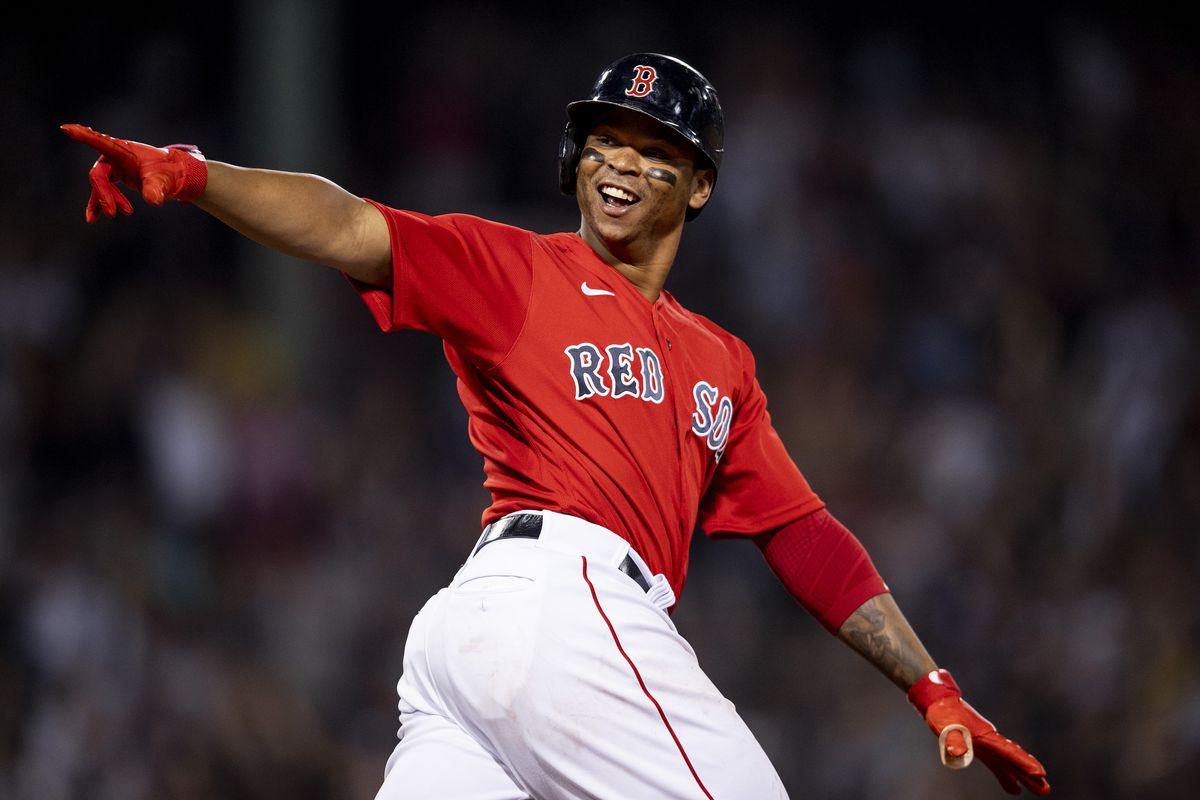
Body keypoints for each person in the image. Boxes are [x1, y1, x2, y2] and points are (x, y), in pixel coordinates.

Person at [63, 52, 1050, 799]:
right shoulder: (518, 270)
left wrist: (931, 685)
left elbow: (804, 537)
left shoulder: (721, 364)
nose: (618, 162)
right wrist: (197, 177)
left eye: (652, 149)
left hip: (488, 642)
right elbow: (347, 224)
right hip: (553, 598)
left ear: (700, 185)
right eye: (607, 139)